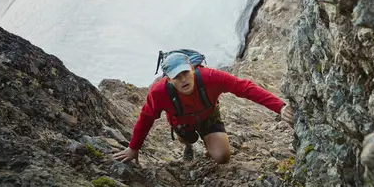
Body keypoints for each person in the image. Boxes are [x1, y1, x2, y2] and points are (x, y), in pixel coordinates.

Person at [113, 52, 294, 164]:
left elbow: (245, 88)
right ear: (168, 79)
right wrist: (133, 148)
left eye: (185, 73)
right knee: (188, 139)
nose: (183, 79)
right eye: (177, 77)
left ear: (192, 68)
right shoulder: (159, 92)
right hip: (182, 124)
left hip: (208, 117)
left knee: (222, 157)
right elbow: (146, 118)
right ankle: (187, 145)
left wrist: (280, 107)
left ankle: (208, 140)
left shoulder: (210, 78)